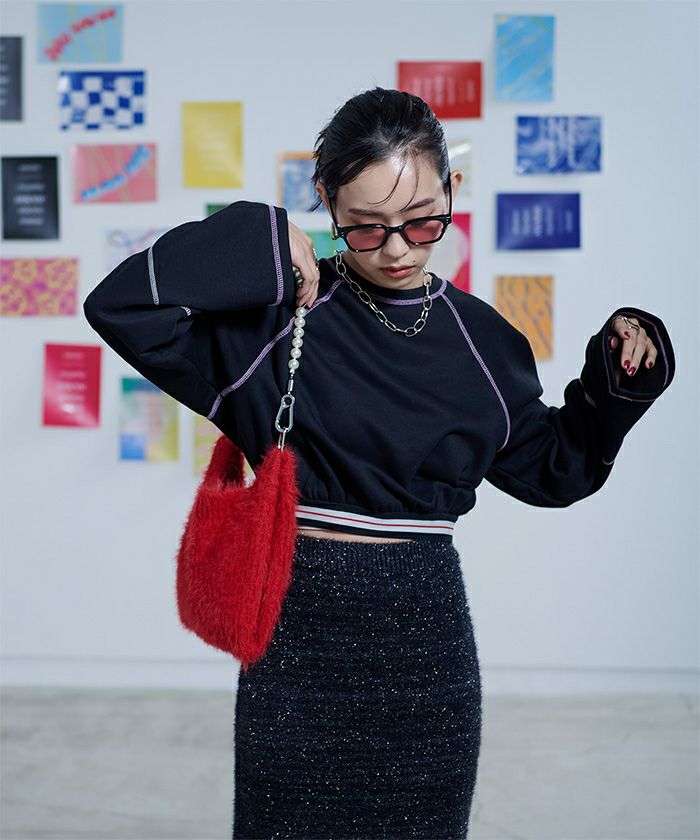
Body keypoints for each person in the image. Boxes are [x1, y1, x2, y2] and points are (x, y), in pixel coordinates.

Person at [82, 87, 675, 839]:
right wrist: (261, 238)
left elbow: (557, 470)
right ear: (327, 202)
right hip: (297, 652)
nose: (397, 250)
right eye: (365, 227)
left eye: (423, 221)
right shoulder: (277, 322)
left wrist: (616, 378)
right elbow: (122, 306)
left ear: (452, 191)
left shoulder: (485, 343)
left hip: (426, 655)